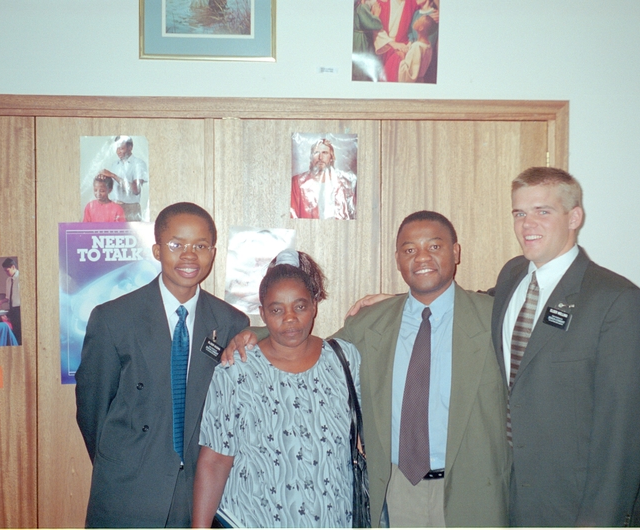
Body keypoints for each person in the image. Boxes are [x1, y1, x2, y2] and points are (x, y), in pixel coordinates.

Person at [226, 211, 511, 527]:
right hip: (397, 489)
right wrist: (259, 333)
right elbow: (318, 350)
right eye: (409, 249)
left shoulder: (493, 318)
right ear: (398, 260)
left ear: (455, 253)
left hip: (474, 489)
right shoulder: (372, 322)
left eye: (434, 246)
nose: (421, 258)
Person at [491, 167, 640, 526]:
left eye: (543, 211)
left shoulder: (617, 301)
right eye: (519, 213)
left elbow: (624, 436)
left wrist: (599, 520)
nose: (527, 224)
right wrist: (399, 302)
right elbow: (467, 307)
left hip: (578, 506)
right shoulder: (512, 277)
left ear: (574, 217)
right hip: (510, 497)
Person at [75, 202, 249, 527]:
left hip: (199, 494)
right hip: (128, 491)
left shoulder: (231, 323)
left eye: (200, 246)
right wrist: (125, 460)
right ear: (156, 249)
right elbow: (92, 410)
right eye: (176, 244)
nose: (189, 255)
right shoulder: (114, 319)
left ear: (213, 252)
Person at [192, 250, 361, 527]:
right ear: (262, 313)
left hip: (332, 519)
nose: (290, 318)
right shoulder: (236, 368)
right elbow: (215, 461)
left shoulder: (344, 360)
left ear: (314, 306)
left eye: (300, 306)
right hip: (251, 519)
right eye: (276, 310)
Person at [290, 139, 357, 220]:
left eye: (324, 153)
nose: (320, 157)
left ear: (331, 157)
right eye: (316, 152)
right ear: (311, 157)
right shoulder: (297, 182)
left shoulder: (344, 184)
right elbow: (292, 218)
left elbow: (352, 217)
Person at [101, 135, 148, 222]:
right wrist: (103, 178)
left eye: (121, 148)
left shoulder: (138, 164)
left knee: (131, 234)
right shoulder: (114, 164)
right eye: (117, 149)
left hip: (131, 209)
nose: (118, 152)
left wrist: (113, 175)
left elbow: (136, 189)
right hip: (113, 207)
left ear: (130, 147)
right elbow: (111, 187)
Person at [352, 0, 385, 81]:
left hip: (358, 38)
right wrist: (376, 15)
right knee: (362, 67)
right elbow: (374, 24)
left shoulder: (358, 6)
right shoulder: (362, 7)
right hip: (361, 40)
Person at [397, 14, 436, 83]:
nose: (416, 20)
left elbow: (408, 75)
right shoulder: (428, 45)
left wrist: (402, 56)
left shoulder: (417, 46)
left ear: (421, 28)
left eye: (418, 20)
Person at [3, 258, 22, 345]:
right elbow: (8, 297)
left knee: (21, 331)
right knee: (15, 330)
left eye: (7, 270)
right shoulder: (8, 280)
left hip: (20, 308)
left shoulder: (21, 277)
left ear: (13, 267)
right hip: (12, 309)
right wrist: (0, 302)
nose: (6, 273)